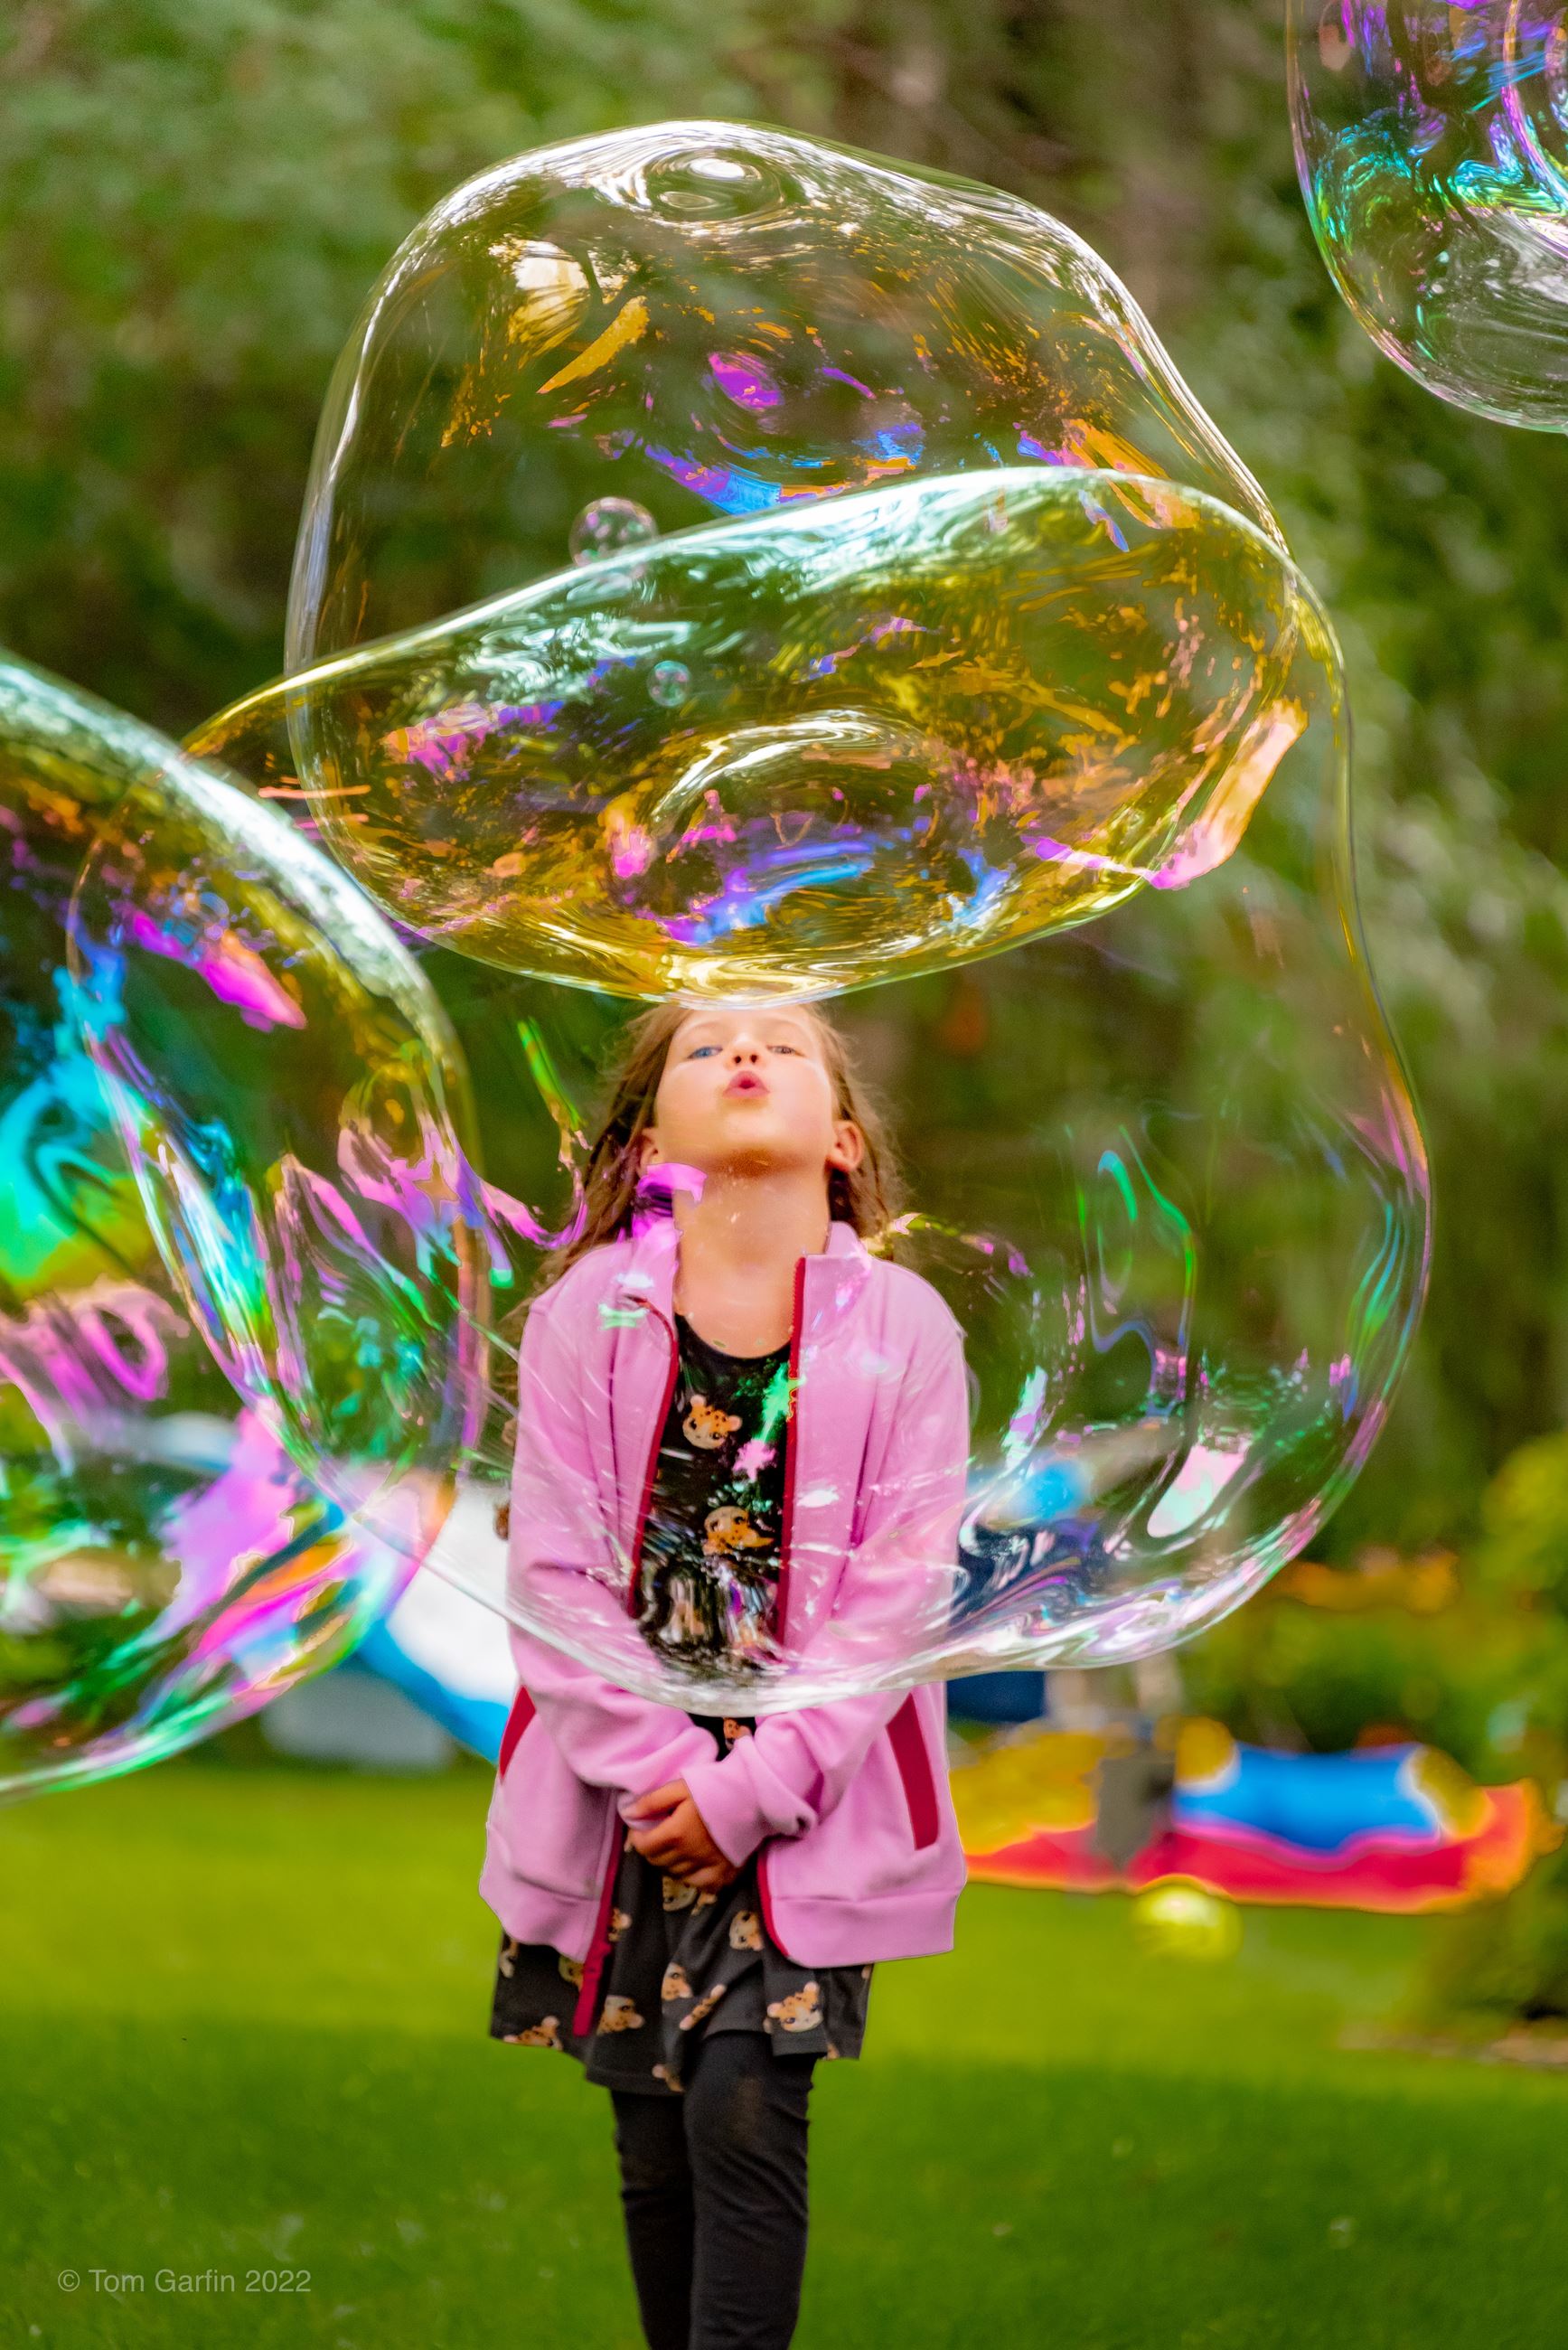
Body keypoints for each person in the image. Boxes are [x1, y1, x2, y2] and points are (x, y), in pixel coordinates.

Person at [480, 997, 971, 2350]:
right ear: (649, 1149)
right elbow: (555, 1578)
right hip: (625, 1786)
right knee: (654, 2140)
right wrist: (665, 1777)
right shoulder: (589, 1315)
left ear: (844, 1141)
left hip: (810, 1782)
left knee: (742, 2107)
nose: (743, 1054)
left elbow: (899, 1592)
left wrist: (752, 1789)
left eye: (783, 1046)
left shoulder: (909, 1331)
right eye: (705, 1048)